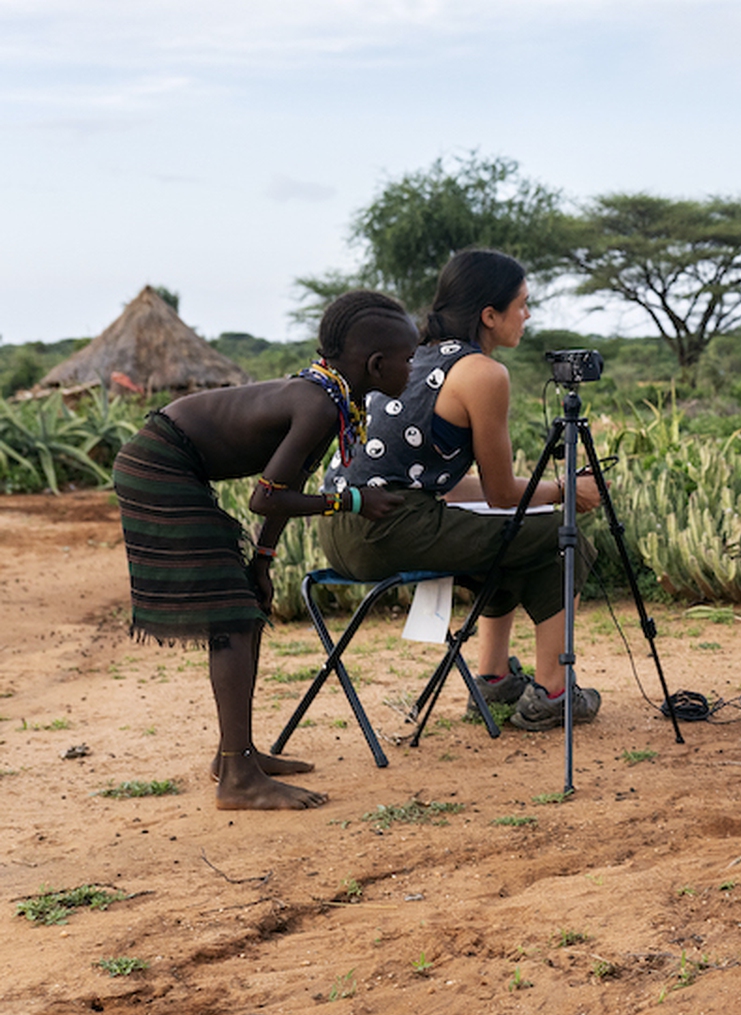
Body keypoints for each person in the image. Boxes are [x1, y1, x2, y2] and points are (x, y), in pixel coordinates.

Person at [111, 290, 417, 810]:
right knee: (230, 617)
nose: (412, 368)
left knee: (245, 606)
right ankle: (238, 778)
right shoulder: (319, 402)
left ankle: (238, 756)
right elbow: (264, 498)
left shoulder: (332, 397)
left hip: (171, 463)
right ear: (376, 364)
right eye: (407, 359)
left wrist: (263, 561)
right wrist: (353, 501)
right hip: (159, 465)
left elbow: (287, 482)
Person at [318, 249, 603, 733]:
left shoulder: (414, 357)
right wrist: (565, 491)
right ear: (489, 315)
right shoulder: (482, 373)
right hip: (390, 528)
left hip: (343, 529)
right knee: (560, 536)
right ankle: (553, 692)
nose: (527, 315)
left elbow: (452, 490)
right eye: (521, 304)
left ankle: (494, 679)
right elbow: (501, 495)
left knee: (516, 540)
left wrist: (554, 490)